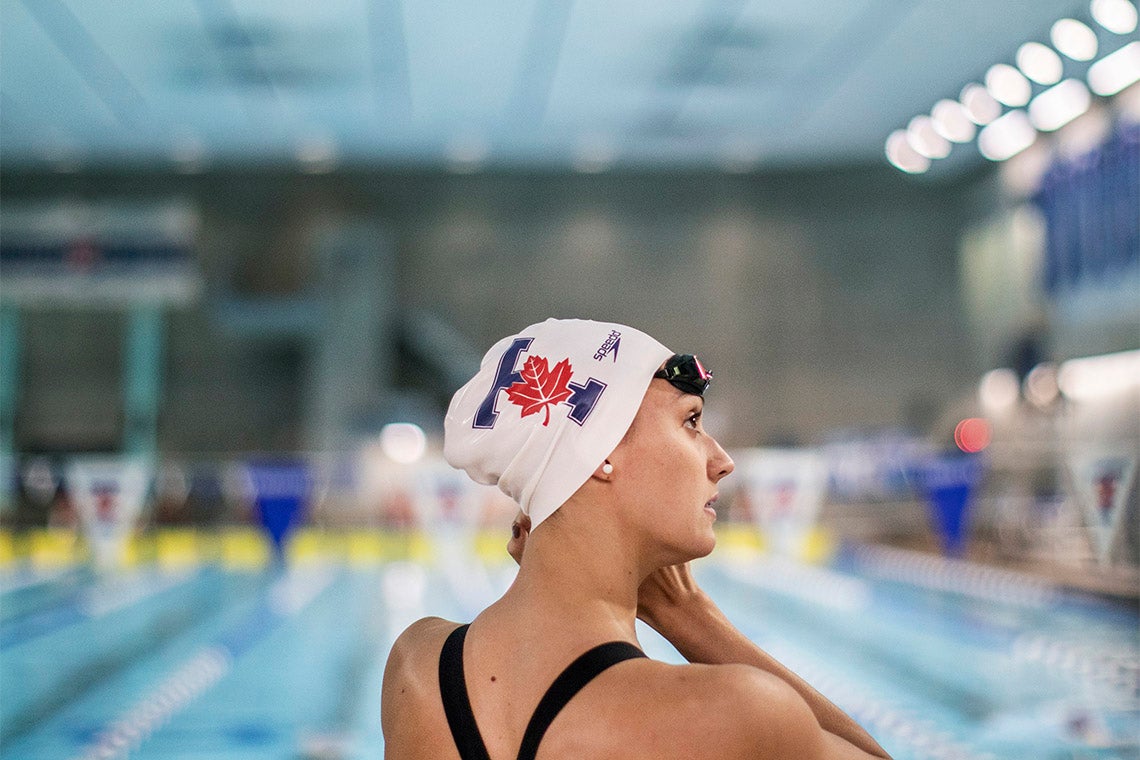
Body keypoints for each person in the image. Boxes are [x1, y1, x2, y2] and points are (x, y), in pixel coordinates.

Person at [382, 318, 891, 759]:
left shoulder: (417, 667)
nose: (722, 461)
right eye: (691, 421)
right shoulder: (735, 715)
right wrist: (692, 618)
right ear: (599, 451)